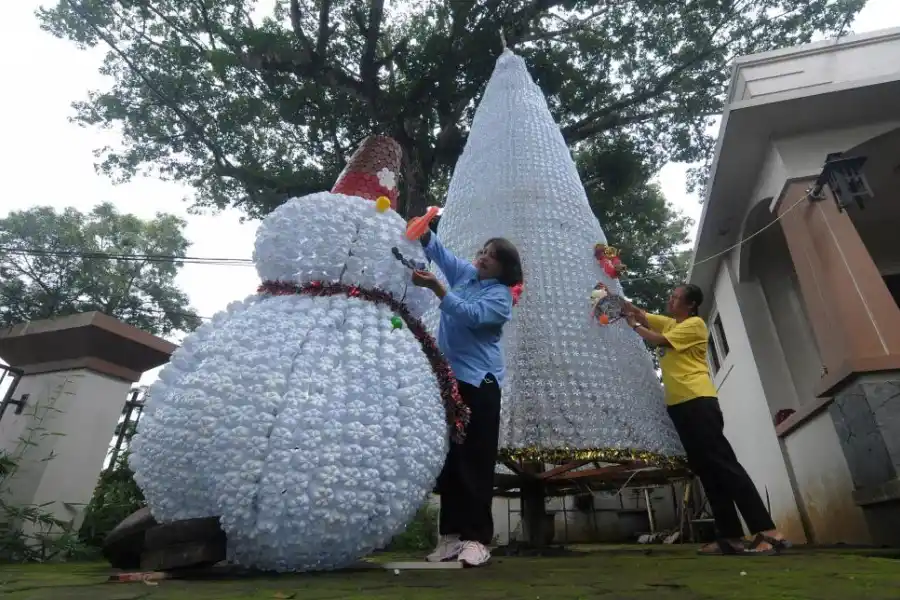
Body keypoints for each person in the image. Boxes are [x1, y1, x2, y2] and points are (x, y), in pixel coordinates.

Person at [615, 282, 791, 556]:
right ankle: (730, 538)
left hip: (698, 401)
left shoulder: (694, 325)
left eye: (676, 299)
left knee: (724, 465)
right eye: (671, 296)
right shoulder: (672, 323)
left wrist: (633, 325)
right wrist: (610, 296)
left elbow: (654, 337)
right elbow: (640, 313)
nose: (671, 301)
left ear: (690, 305)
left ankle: (768, 531)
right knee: (707, 471)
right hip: (680, 406)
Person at [411, 230, 523, 567]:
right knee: (451, 460)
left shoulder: (500, 296)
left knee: (475, 459)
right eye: (484, 249)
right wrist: (426, 235)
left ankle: (476, 540)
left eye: (493, 255)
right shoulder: (468, 275)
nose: (483, 256)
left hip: (480, 383)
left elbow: (471, 317)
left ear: (504, 268)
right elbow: (442, 255)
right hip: (450, 384)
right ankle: (450, 538)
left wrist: (437, 289)